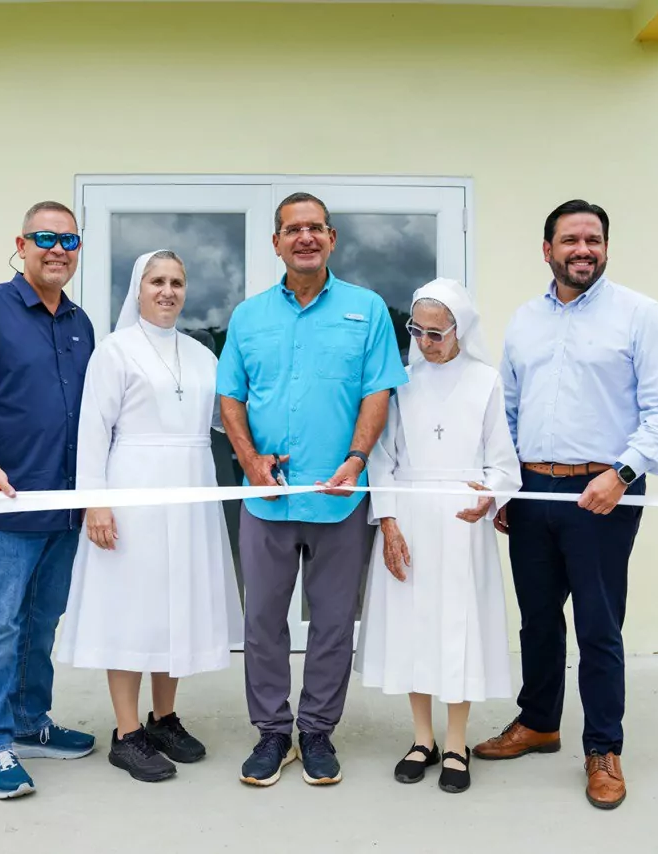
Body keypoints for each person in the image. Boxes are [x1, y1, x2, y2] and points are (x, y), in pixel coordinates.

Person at [474, 200, 658, 811]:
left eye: (593, 239)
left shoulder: (641, 316)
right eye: (570, 240)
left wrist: (621, 474)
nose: (583, 250)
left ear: (605, 248)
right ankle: (538, 722)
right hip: (534, 490)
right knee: (538, 620)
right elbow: (507, 412)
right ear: (548, 250)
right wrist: (507, 485)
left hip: (604, 493)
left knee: (598, 627)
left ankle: (603, 748)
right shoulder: (523, 321)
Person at [217, 192, 407, 787]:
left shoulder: (367, 309)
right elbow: (230, 396)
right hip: (267, 499)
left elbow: (378, 391)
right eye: (292, 229)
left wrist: (356, 460)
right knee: (263, 622)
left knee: (331, 623)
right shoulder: (248, 316)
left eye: (316, 228)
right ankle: (273, 733)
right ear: (275, 242)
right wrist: (248, 461)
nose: (305, 237)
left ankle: (318, 731)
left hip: (340, 497)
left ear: (332, 239)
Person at [56, 250, 242, 783]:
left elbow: (226, 420)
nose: (168, 291)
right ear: (138, 288)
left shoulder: (202, 353)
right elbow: (93, 431)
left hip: (190, 488)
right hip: (133, 487)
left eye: (177, 282)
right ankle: (127, 731)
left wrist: (267, 451)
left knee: (174, 603)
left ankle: (163, 719)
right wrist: (95, 501)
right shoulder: (114, 352)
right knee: (131, 606)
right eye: (157, 281)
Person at [0, 201, 97, 800]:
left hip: (63, 504)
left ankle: (31, 724)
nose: (58, 249)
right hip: (2, 502)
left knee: (41, 619)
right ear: (21, 243)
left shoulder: (80, 323)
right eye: (46, 237)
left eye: (69, 240)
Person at [355, 278, 521, 794]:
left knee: (458, 627)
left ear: (460, 330)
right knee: (413, 625)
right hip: (409, 515)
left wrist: (489, 493)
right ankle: (421, 738)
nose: (426, 342)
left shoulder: (486, 381)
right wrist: (388, 520)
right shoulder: (401, 382)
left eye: (437, 333)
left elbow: (503, 461)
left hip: (461, 521)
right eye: (417, 331)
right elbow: (382, 458)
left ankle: (456, 741)